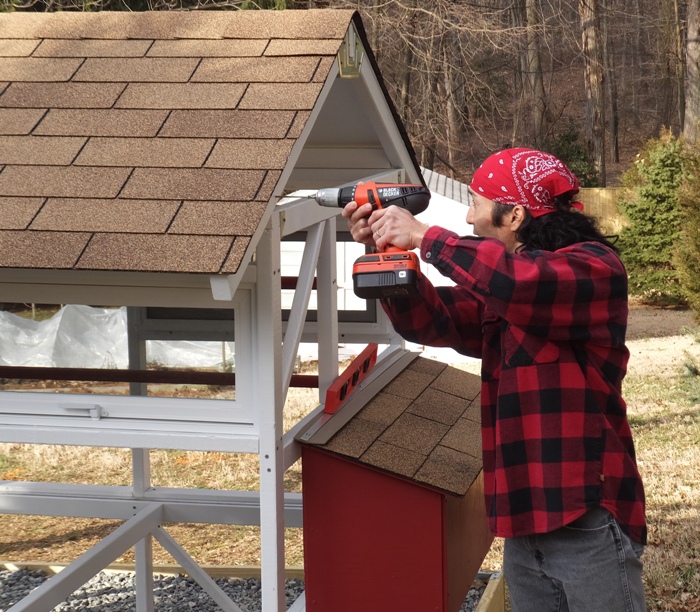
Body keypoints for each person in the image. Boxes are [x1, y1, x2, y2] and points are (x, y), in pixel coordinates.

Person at [342, 148, 647, 612]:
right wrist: (387, 250)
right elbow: (433, 320)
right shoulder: (501, 288)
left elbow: (520, 283)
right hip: (525, 519)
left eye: (478, 203)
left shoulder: (593, 268)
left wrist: (425, 235)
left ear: (515, 214)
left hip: (585, 513)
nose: (467, 215)